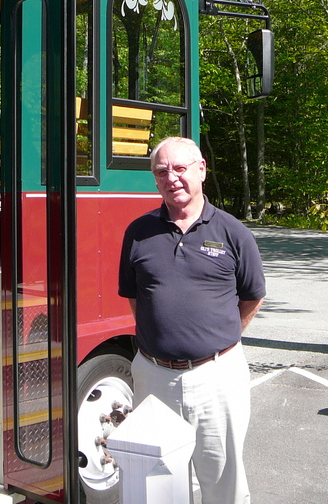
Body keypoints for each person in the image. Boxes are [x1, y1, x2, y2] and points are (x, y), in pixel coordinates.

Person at [118, 136, 265, 504]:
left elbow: (252, 296)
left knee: (223, 484)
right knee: (157, 485)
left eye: (180, 168)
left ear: (201, 170)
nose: (172, 178)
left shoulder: (233, 232)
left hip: (216, 378)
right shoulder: (138, 232)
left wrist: (219, 341)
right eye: (162, 171)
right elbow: (136, 297)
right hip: (153, 377)